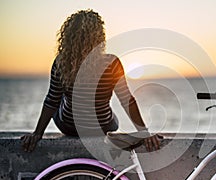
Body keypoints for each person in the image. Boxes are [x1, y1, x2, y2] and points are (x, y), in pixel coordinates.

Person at [21, 9, 160, 152]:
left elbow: (52, 100)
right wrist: (144, 132)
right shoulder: (112, 63)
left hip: (69, 126)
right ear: (100, 37)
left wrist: (37, 133)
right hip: (101, 128)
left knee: (60, 96)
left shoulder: (61, 63)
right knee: (111, 114)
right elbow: (126, 100)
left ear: (68, 37)